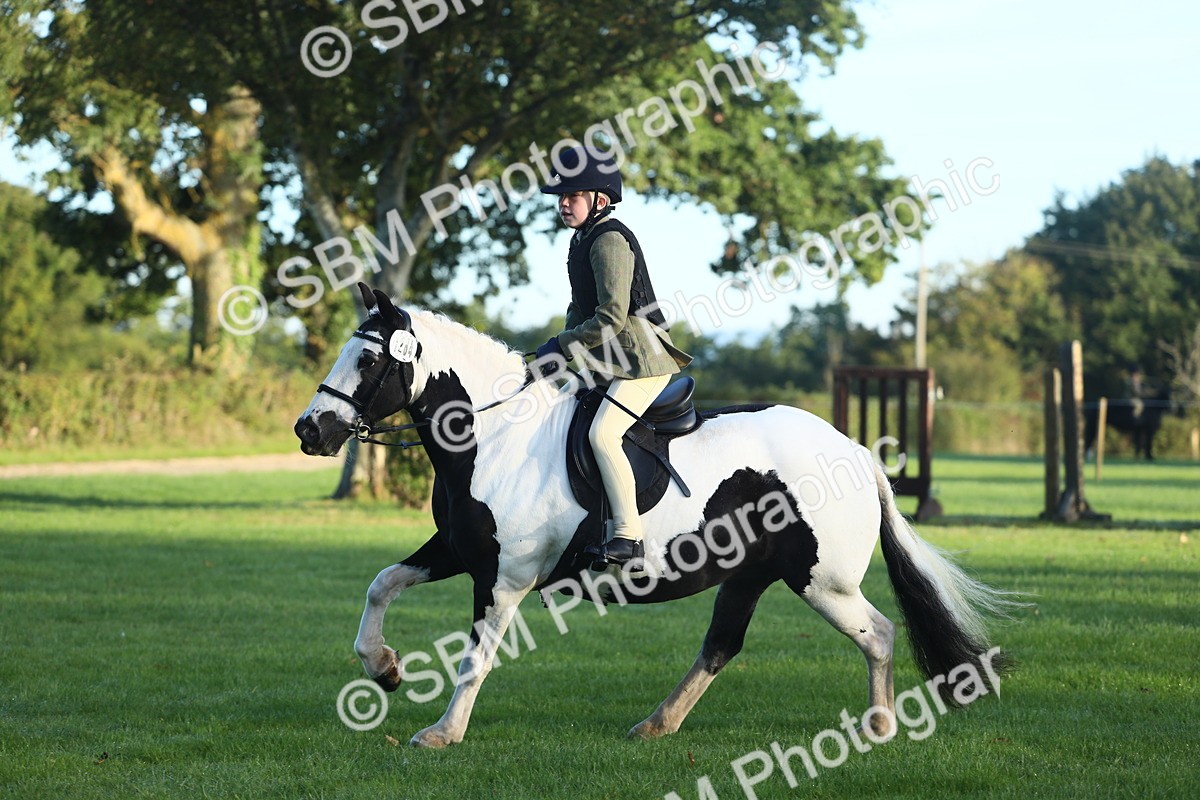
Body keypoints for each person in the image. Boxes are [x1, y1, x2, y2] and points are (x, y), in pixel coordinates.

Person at [536, 146, 692, 566]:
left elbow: (610, 317)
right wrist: (555, 353)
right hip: (610, 362)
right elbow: (579, 309)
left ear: (599, 200)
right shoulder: (581, 239)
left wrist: (563, 346)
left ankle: (628, 535)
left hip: (643, 362)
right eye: (561, 197)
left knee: (602, 434)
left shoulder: (609, 240)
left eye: (573, 196)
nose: (564, 204)